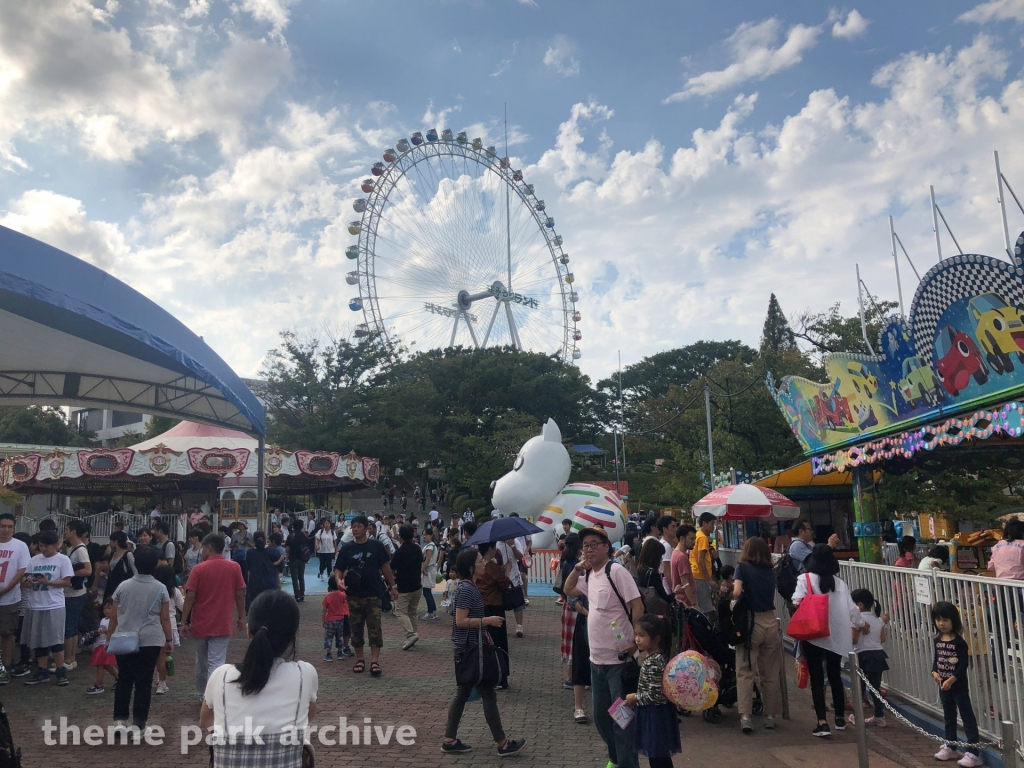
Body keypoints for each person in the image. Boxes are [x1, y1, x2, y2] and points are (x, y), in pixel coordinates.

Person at [200, 590, 318, 767]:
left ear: (249, 631)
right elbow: (308, 716)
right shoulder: (305, 674)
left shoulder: (221, 675)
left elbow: (205, 721)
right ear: (292, 635)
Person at [563, 526, 644, 768]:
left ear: (606, 547)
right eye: (585, 545)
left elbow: (637, 606)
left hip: (619, 662)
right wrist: (578, 567)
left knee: (622, 720)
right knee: (600, 717)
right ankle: (616, 758)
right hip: (596, 662)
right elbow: (567, 589)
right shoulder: (589, 575)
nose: (588, 549)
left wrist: (634, 642)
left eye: (593, 544)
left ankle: (626, 763)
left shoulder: (616, 572)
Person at [441, 548, 527, 757]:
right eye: (480, 561)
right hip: (471, 650)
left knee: (473, 693)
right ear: (471, 567)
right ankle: (501, 743)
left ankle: (452, 739)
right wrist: (487, 621)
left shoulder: (470, 587)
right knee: (482, 693)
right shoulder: (467, 589)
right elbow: (460, 621)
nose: (484, 563)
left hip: (471, 648)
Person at [791, 543, 866, 737]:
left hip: (814, 635)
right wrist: (861, 624)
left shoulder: (804, 579)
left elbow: (796, 601)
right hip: (837, 636)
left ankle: (822, 722)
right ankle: (840, 718)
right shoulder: (839, 583)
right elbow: (853, 610)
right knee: (835, 675)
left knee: (817, 679)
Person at [106, 546, 173, 732]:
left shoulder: (123, 586)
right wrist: (169, 639)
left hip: (124, 639)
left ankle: (119, 721)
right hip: (151, 640)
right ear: (155, 565)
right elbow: (165, 618)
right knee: (144, 682)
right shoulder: (161, 589)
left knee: (124, 680)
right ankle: (139, 725)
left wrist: (108, 638)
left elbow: (114, 616)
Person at [332, 515, 399, 677]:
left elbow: (385, 568)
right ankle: (360, 659)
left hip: (373, 594)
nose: (355, 529)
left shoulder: (376, 546)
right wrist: (338, 581)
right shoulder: (347, 548)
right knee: (356, 628)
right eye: (353, 526)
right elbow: (339, 568)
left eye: (358, 526)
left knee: (375, 628)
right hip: (353, 595)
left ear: (366, 528)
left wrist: (393, 586)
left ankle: (375, 661)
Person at [181, 534, 246, 699]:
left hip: (200, 622)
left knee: (201, 661)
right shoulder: (234, 567)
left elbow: (189, 597)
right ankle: (212, 698)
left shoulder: (198, 569)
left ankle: (203, 693)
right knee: (216, 662)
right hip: (222, 622)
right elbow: (240, 594)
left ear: (209, 547)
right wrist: (241, 616)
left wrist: (183, 622)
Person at [732, 536, 783, 733]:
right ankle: (770, 715)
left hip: (751, 623)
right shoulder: (770, 571)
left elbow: (736, 593)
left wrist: (734, 592)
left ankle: (746, 716)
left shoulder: (742, 568)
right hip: (771, 621)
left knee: (745, 670)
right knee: (770, 672)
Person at [623, 614, 680, 768]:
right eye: (636, 635)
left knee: (657, 756)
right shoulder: (652, 658)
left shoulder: (654, 662)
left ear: (656, 639)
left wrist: (635, 697)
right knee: (658, 756)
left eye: (642, 635)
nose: (637, 639)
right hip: (654, 713)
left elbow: (656, 695)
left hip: (655, 715)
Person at [930, 602, 981, 766]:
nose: (941, 623)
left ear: (953, 621)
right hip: (943, 686)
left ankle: (973, 752)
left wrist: (952, 679)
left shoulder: (959, 643)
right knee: (949, 716)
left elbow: (962, 665)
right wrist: (935, 673)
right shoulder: (937, 640)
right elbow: (936, 661)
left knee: (967, 716)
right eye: (938, 620)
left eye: (945, 620)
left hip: (957, 686)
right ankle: (950, 746)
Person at [22, 530, 73, 686]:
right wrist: (27, 582)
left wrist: (47, 582)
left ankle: (60, 670)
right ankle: (42, 670)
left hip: (54, 604)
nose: (44, 549)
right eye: (41, 546)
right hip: (35, 604)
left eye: (47, 546)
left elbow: (66, 582)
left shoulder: (62, 560)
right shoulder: (34, 560)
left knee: (56, 640)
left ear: (55, 545)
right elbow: (25, 579)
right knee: (38, 640)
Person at [848, 588, 889, 728]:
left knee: (859, 687)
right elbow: (882, 638)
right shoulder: (878, 619)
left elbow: (853, 639)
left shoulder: (858, 620)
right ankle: (879, 716)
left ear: (859, 605)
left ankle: (856, 715)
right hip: (878, 655)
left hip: (862, 655)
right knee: (875, 687)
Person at [475, 541, 511, 688]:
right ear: (490, 548)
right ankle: (500, 677)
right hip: (495, 607)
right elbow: (504, 583)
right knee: (498, 643)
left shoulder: (478, 566)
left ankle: (487, 675)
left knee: (485, 642)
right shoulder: (491, 566)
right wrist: (507, 570)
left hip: (481, 607)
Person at [0, 512, 30, 685]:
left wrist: (7, 588)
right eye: (3, 526)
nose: (6, 530)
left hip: (9, 598)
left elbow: (22, 570)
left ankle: (7, 666)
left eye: (10, 526)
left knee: (7, 633)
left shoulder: (20, 546)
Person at [62, 519, 92, 670]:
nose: (65, 532)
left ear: (73, 531)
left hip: (75, 593)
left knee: (69, 626)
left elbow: (88, 570)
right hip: (72, 592)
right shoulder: (73, 548)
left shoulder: (80, 549)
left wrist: (69, 573)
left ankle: (69, 659)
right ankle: (70, 658)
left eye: (67, 529)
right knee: (71, 626)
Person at [391, 524, 424, 650]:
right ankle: (412, 635)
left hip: (404, 587)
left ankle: (411, 634)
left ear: (400, 536)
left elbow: (392, 568)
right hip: (417, 585)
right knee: (412, 612)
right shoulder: (417, 548)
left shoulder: (399, 552)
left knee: (400, 612)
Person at [495, 537, 526, 637]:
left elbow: (521, 557)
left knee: (517, 603)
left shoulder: (515, 541)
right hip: (500, 577)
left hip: (514, 577)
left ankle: (519, 625)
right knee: (499, 602)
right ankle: (499, 624)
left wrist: (512, 546)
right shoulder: (495, 544)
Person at [86, 598, 118, 694]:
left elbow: (114, 633)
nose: (106, 610)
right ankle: (119, 678)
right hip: (100, 644)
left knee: (100, 664)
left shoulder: (114, 621)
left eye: (109, 608)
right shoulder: (103, 620)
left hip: (106, 644)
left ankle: (98, 684)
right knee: (106, 665)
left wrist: (106, 632)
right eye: (105, 608)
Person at [245, 532, 281, 611]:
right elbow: (281, 566)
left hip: (255, 583)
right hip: (271, 582)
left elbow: (248, 566)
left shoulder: (250, 553)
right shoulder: (273, 551)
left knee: (255, 608)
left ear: (254, 540)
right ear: (265, 539)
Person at [689, 513, 717, 617]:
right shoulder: (703, 538)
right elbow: (701, 560)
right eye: (711, 523)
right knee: (706, 610)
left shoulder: (698, 535)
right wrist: (709, 579)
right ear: (704, 523)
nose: (713, 526)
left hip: (697, 575)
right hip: (700, 577)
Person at [636, 538, 674, 614]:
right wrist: (676, 592)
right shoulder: (653, 574)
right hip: (656, 613)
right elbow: (665, 598)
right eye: (660, 556)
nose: (661, 559)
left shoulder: (641, 569)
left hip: (645, 610)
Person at [322, 576, 353, 660]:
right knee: (339, 637)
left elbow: (324, 610)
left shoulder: (327, 597)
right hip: (341, 619)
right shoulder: (342, 595)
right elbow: (345, 602)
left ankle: (329, 654)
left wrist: (323, 620)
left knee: (328, 637)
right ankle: (340, 653)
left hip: (330, 620)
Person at [103, 531, 136, 603]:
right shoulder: (112, 555)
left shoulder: (128, 555)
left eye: (111, 541)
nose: (109, 543)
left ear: (116, 542)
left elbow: (135, 572)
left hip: (123, 588)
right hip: (111, 587)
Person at [670, 525, 697, 607]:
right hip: (686, 602)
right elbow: (685, 583)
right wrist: (694, 604)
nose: (694, 542)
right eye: (691, 539)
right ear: (682, 539)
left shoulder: (675, 553)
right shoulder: (681, 557)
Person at [286, 521, 309, 602]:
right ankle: (302, 594)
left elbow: (287, 547)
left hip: (293, 558)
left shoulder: (291, 535)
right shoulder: (304, 535)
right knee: (301, 577)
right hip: (302, 559)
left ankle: (297, 595)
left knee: (294, 577)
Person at [421, 527, 439, 620]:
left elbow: (427, 559)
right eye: (423, 535)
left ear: (431, 535)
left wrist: (422, 568)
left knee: (426, 592)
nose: (424, 537)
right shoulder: (430, 545)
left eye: (426, 535)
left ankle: (431, 612)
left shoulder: (430, 546)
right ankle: (433, 611)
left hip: (428, 569)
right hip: (429, 569)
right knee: (427, 592)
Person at [657, 515, 677, 593]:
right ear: (665, 529)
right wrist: (673, 588)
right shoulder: (666, 546)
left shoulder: (662, 543)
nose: (676, 529)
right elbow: (667, 570)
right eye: (673, 527)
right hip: (666, 582)